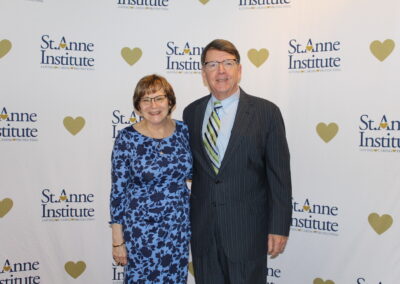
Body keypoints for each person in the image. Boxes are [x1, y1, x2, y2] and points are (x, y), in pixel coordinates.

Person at [183, 39, 292, 284]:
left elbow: (280, 177)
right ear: (203, 73)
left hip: (247, 232)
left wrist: (279, 226)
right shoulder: (191, 113)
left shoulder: (267, 113)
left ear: (239, 70)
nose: (221, 70)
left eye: (228, 63)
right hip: (204, 232)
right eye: (212, 64)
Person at [110, 74, 192, 284]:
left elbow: (198, 173)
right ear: (138, 106)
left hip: (177, 228)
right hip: (141, 231)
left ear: (170, 101)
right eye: (146, 100)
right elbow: (118, 191)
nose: (153, 105)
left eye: (159, 98)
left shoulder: (185, 131)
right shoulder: (126, 138)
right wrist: (118, 241)